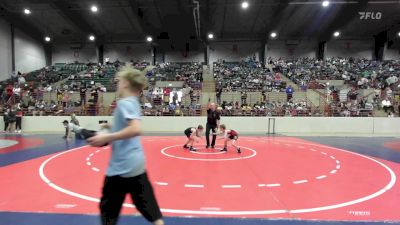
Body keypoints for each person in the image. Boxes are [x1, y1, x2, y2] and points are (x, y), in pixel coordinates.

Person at [87, 65, 164, 225]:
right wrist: (110, 127)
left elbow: (135, 129)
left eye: (119, 81)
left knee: (108, 214)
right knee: (153, 213)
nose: (117, 84)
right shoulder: (134, 102)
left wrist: (107, 137)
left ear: (126, 84)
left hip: (120, 169)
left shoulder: (124, 103)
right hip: (137, 166)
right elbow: (128, 126)